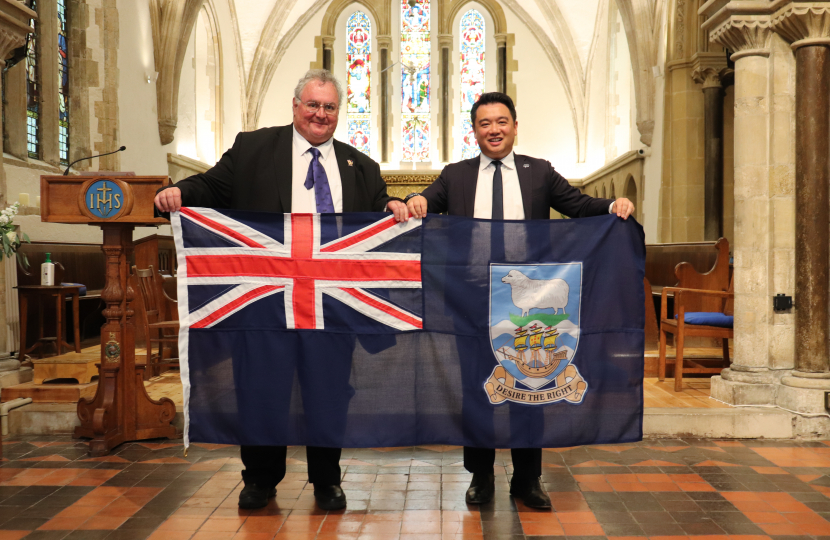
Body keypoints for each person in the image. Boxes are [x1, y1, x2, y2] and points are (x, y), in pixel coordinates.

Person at [154, 69, 408, 511]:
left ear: (338, 113)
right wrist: (177, 192)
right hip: (267, 299)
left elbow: (377, 211)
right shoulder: (253, 149)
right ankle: (260, 479)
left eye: (329, 107)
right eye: (312, 105)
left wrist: (392, 206)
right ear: (295, 106)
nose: (320, 114)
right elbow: (210, 186)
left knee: (328, 390)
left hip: (331, 304)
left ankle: (327, 479)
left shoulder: (360, 166)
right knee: (260, 387)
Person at [405, 92, 634, 509]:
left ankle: (528, 480)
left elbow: (578, 204)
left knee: (532, 383)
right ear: (473, 131)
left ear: (514, 125)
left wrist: (611, 205)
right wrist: (413, 200)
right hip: (471, 299)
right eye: (484, 123)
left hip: (527, 303)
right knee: (479, 389)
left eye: (501, 121)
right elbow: (423, 203)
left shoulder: (538, 172)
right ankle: (481, 478)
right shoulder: (455, 175)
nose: (493, 129)